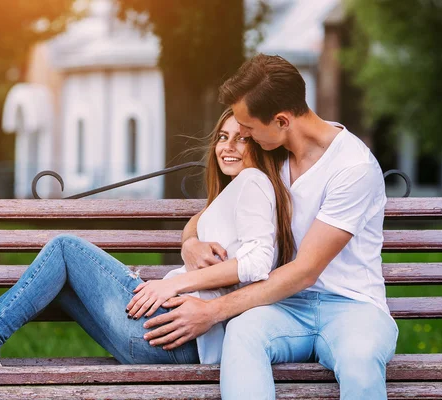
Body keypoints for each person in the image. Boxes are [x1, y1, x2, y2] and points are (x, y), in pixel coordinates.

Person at [0, 108, 295, 369]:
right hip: (158, 339)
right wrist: (189, 244)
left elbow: (259, 264)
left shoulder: (255, 182)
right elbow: (199, 227)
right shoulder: (232, 193)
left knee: (64, 246)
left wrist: (175, 281)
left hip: (173, 336)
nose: (228, 147)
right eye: (223, 137)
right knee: (56, 281)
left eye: (241, 138)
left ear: (260, 143)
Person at [140, 54, 399, 400]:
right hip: (285, 308)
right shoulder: (270, 153)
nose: (241, 134)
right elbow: (207, 214)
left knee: (360, 359)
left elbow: (305, 271)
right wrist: (190, 243)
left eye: (247, 127)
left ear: (281, 120)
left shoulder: (352, 167)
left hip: (352, 307)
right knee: (243, 333)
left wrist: (211, 311)